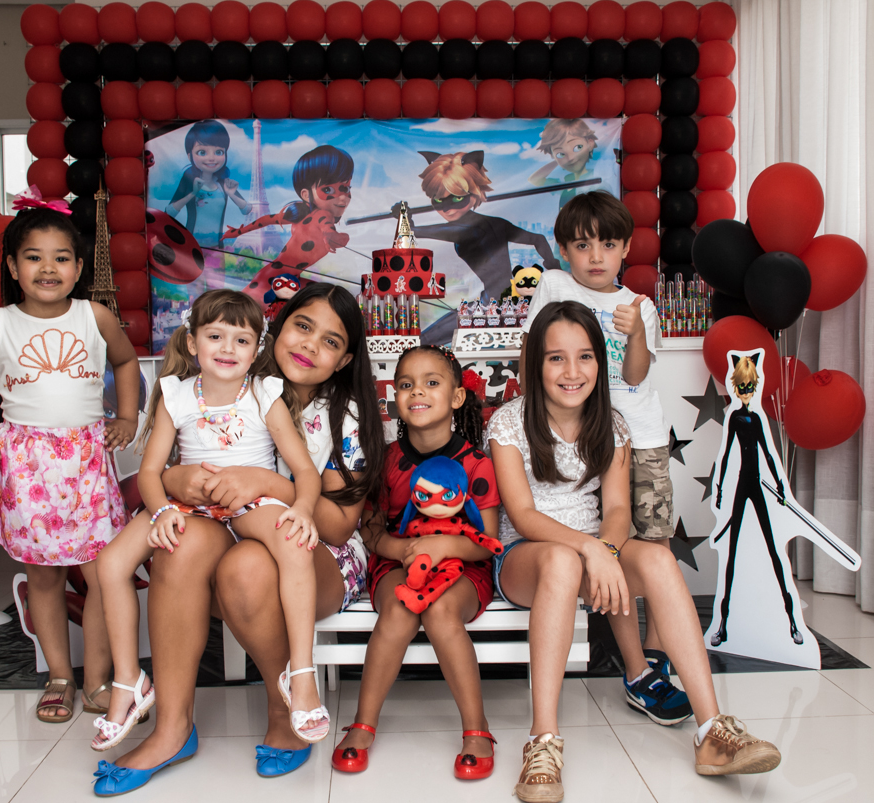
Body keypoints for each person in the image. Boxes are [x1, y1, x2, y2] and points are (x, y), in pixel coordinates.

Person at [490, 301, 781, 802]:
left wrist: (604, 548)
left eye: (584, 356)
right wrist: (591, 551)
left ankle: (712, 730)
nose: (572, 371)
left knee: (659, 557)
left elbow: (619, 509)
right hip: (529, 558)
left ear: (600, 363)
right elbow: (523, 516)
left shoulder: (613, 423)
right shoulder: (509, 422)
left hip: (593, 548)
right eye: (556, 358)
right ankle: (543, 741)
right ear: (535, 363)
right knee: (560, 560)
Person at [100, 283, 385, 784]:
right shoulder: (225, 377)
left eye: (332, 341)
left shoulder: (344, 416)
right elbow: (167, 470)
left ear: (343, 361)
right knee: (177, 544)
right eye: (303, 326)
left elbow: (339, 526)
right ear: (274, 332)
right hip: (223, 522)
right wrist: (175, 480)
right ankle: (171, 726)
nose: (311, 345)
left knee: (246, 567)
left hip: (322, 554)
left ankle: (286, 711)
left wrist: (269, 482)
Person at [0, 193, 139, 725]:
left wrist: (127, 416)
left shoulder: (94, 316)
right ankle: (59, 675)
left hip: (86, 461)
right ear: (12, 266)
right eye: (33, 256)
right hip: (26, 466)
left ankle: (98, 677)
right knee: (45, 578)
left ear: (78, 268)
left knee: (101, 575)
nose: (48, 268)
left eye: (61, 257)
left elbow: (125, 361)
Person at [520, 190, 688, 725]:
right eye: (582, 244)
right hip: (583, 436)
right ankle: (634, 663)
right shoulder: (553, 285)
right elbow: (533, 356)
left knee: (653, 544)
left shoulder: (642, 305)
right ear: (564, 250)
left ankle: (654, 659)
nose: (595, 256)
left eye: (608, 244)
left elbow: (635, 376)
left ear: (626, 249)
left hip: (639, 435)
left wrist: (636, 331)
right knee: (602, 543)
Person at [334, 345, 500, 778]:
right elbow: (371, 529)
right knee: (401, 606)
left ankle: (476, 729)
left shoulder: (477, 463)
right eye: (406, 384)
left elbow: (488, 543)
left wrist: (444, 548)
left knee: (442, 611)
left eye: (431, 382)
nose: (417, 392)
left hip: (464, 567)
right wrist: (402, 552)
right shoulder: (386, 460)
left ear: (457, 397)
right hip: (398, 563)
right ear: (393, 398)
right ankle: (363, 723)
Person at [404, 151, 561, 343]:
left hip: (494, 307)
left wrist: (409, 225)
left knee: (424, 340)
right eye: (438, 200)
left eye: (456, 198)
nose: (446, 208)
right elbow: (538, 240)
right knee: (427, 338)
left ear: (473, 194)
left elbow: (451, 230)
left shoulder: (471, 227)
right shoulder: (497, 223)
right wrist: (553, 265)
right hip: (496, 301)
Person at [711, 354, 800, 647]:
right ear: (736, 388)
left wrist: (780, 486)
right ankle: (722, 625)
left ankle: (792, 621)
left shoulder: (757, 418)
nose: (746, 392)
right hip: (741, 484)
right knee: (731, 554)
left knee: (774, 552)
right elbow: (725, 456)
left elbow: (768, 453)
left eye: (750, 386)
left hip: (758, 486)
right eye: (742, 387)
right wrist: (720, 488)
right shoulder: (736, 418)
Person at [223, 145, 355, 306]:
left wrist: (239, 231)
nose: (342, 198)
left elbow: (268, 219)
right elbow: (328, 229)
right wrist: (336, 237)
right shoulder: (322, 214)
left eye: (345, 188)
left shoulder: (302, 211)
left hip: (280, 278)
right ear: (306, 194)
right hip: (278, 282)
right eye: (328, 189)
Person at [167, 120, 250, 247]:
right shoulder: (189, 181)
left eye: (218, 152)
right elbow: (169, 213)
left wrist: (232, 194)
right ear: (190, 156)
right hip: (191, 247)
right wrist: (192, 194)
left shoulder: (223, 183)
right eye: (202, 152)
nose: (211, 158)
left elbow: (247, 210)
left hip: (217, 247)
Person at [528, 119, 599, 209]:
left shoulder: (596, 181)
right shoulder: (565, 185)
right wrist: (558, 160)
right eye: (561, 153)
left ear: (590, 143)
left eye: (578, 147)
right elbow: (534, 179)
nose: (570, 158)